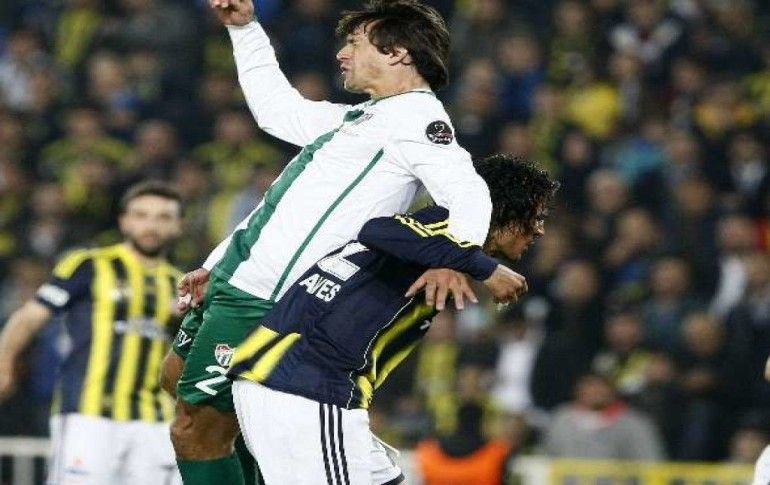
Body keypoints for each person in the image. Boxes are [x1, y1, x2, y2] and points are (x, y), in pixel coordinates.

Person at [161, 1, 526, 484]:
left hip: (265, 297)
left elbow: (467, 191)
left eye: (355, 43)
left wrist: (456, 259)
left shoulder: (419, 122)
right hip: (234, 277)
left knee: (196, 431)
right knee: (175, 379)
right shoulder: (362, 117)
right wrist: (245, 30)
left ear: (397, 53)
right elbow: (277, 115)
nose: (342, 54)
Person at [227, 155, 558, 484]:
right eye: (537, 217)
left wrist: (459, 262)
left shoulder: (441, 248)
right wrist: (484, 267)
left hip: (294, 384)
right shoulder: (445, 229)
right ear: (507, 211)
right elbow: (378, 230)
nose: (540, 230)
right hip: (305, 387)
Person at [0, 181, 184, 485]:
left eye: (163, 217)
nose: (151, 225)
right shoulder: (89, 266)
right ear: (124, 221)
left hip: (156, 420)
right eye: (141, 215)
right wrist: (5, 362)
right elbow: (30, 316)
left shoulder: (182, 285)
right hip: (89, 414)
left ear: (178, 226)